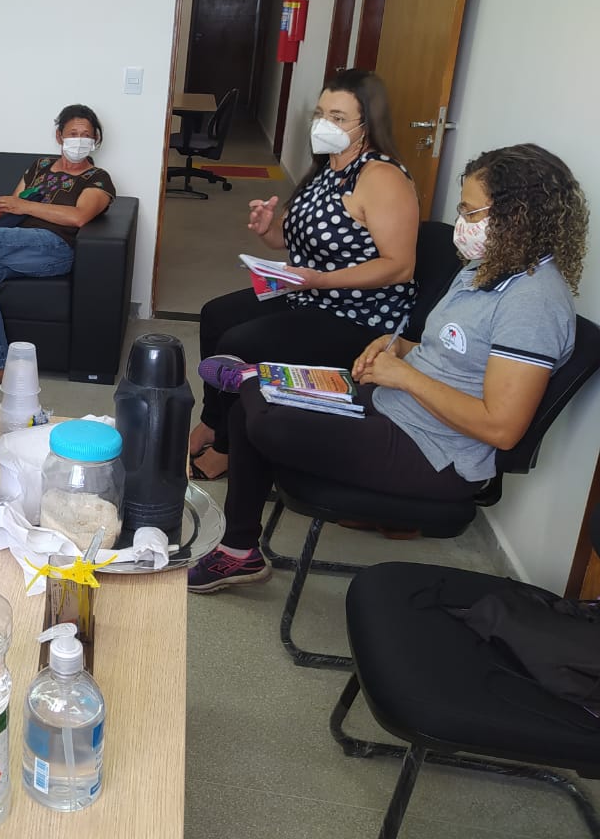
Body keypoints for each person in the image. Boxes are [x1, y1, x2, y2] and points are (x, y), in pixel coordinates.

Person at [187, 143, 587, 593]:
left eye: (471, 212)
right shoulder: (485, 269)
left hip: (436, 453)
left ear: (518, 216)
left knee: (266, 421)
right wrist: (397, 348)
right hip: (393, 402)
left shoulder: (533, 303)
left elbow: (502, 428)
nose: (462, 222)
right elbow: (452, 351)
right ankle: (240, 550)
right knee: (248, 406)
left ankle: (261, 384)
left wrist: (406, 376)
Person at [190, 69, 418, 481]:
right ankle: (214, 420)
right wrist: (268, 229)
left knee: (238, 343)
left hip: (357, 316)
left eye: (338, 117)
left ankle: (228, 446)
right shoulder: (327, 168)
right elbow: (290, 240)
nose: (323, 125)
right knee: (215, 315)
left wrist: (321, 280)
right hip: (308, 295)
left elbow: (400, 266)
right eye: (320, 114)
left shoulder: (382, 177)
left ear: (367, 125)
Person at [0, 104, 115, 393]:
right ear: (59, 136)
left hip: (56, 248)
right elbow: (15, 207)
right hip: (20, 244)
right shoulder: (40, 167)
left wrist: (22, 206)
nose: (79, 140)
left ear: (96, 139)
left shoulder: (98, 178)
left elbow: (79, 217)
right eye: (73, 133)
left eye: (86, 134)